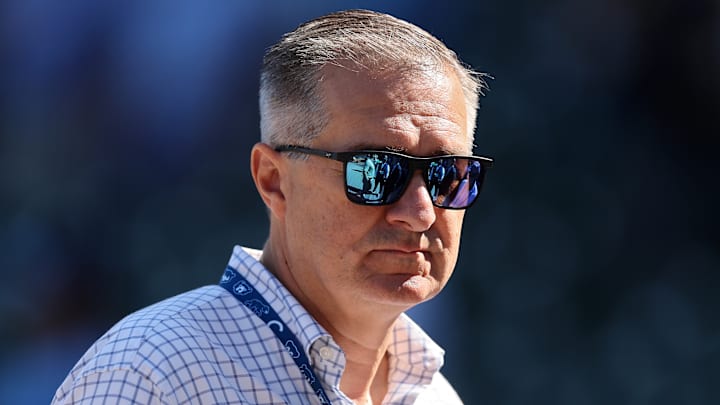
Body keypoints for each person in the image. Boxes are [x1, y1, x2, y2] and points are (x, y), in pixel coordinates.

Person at [52, 9, 493, 405]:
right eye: (375, 171)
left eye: (447, 174)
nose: (420, 212)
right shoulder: (153, 375)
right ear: (273, 180)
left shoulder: (433, 395)